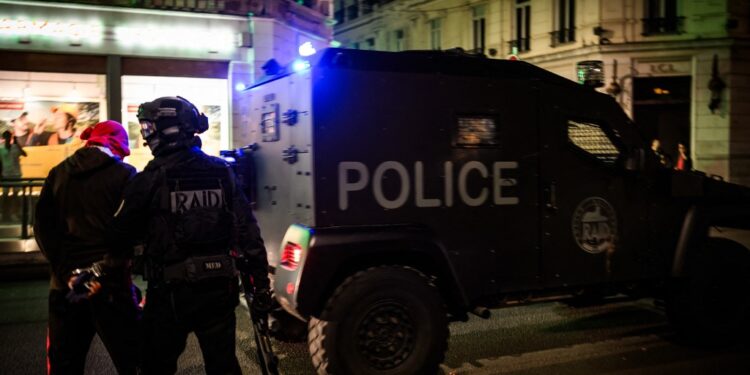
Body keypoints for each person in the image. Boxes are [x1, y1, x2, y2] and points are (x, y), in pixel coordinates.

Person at [107, 96, 272, 374]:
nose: (146, 137)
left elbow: (118, 234)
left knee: (155, 366)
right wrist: (261, 285)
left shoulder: (149, 178)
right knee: (223, 365)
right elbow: (248, 231)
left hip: (170, 295)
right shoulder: (222, 172)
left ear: (169, 129)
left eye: (148, 128)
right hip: (220, 290)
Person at [34, 120, 140, 374]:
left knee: (64, 363)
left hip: (66, 286)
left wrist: (66, 272)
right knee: (133, 360)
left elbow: (43, 228)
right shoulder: (125, 175)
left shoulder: (58, 172)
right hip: (110, 285)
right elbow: (131, 229)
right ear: (116, 147)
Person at [1, 130, 27, 222]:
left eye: (9, 136)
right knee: (5, 195)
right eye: (6, 137)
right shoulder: (1, 149)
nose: (8, 138)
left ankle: (14, 213)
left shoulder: (15, 147)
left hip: (16, 175)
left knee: (16, 195)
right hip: (6, 175)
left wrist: (17, 144)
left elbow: (25, 154)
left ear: (11, 137)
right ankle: (5, 214)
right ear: (4, 138)